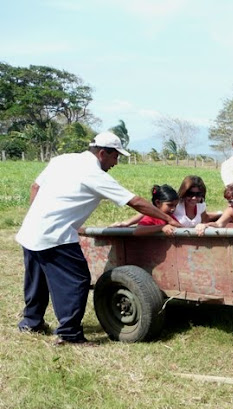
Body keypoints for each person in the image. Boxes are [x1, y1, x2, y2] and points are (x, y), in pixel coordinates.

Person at [15, 131, 180, 346]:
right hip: (57, 235)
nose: (116, 163)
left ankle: (31, 322)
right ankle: (69, 333)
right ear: (103, 153)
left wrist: (38, 216)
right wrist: (168, 219)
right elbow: (136, 202)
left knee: (37, 279)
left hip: (31, 230)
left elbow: (35, 186)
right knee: (77, 280)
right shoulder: (95, 175)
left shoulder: (62, 160)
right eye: (115, 157)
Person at [111, 175, 220, 228]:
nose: (194, 198)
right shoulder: (176, 205)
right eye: (190, 194)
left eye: (198, 194)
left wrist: (222, 215)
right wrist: (127, 223)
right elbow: (151, 211)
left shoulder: (201, 206)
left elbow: (205, 218)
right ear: (184, 192)